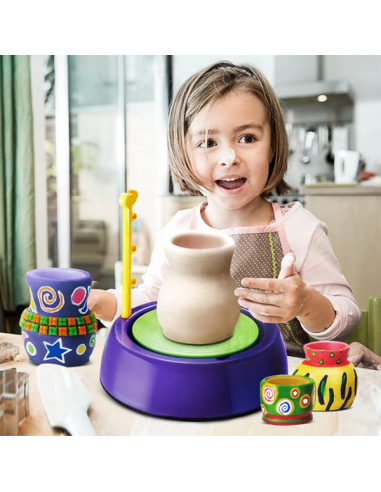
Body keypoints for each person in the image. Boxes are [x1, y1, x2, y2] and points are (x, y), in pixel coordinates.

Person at [88, 60, 361, 358]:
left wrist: (305, 303)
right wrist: (104, 303)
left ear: (272, 146)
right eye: (208, 142)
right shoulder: (179, 230)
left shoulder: (299, 228)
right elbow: (150, 301)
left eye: (247, 138)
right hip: (204, 383)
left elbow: (346, 319)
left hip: (284, 387)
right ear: (184, 153)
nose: (228, 157)